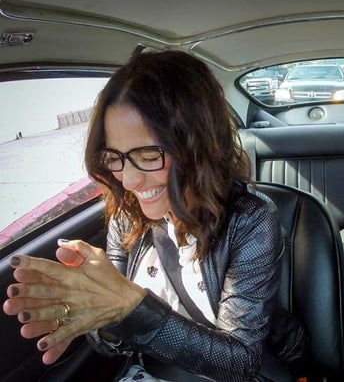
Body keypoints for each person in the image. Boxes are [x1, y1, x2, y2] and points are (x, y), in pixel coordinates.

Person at [3, 50, 299, 381]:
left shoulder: (251, 220)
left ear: (197, 145)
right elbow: (109, 343)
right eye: (114, 156)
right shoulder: (126, 214)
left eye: (147, 154)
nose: (128, 180)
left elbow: (240, 363)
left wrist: (130, 307)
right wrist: (96, 312)